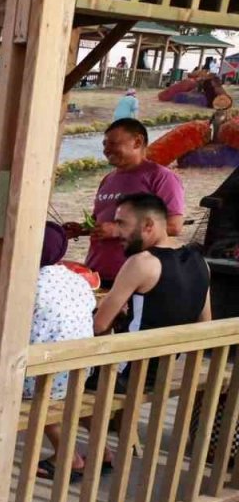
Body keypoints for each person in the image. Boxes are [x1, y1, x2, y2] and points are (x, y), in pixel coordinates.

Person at [26, 223, 97, 481]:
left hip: (43, 377)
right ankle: (104, 452)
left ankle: (68, 456)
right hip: (79, 372)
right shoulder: (77, 280)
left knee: (25, 381)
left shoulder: (27, 284)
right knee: (52, 381)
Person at [85, 118, 185, 287]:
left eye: (113, 143)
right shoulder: (108, 179)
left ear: (137, 142)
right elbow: (101, 223)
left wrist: (119, 230)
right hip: (97, 273)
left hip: (138, 277)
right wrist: (82, 228)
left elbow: (174, 227)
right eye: (104, 144)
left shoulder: (161, 177)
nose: (106, 150)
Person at [95, 193, 210, 340]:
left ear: (148, 225)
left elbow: (99, 325)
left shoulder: (141, 263)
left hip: (133, 361)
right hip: (169, 360)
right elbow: (205, 324)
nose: (117, 232)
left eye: (122, 223)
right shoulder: (200, 261)